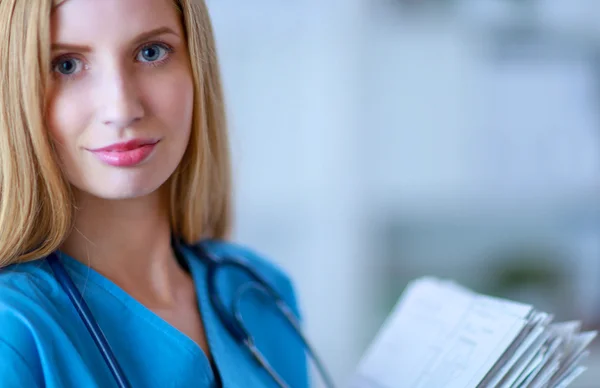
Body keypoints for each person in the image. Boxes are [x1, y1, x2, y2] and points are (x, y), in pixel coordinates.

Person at [0, 0, 312, 386]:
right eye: (66, 64)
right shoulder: (12, 330)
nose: (122, 108)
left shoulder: (260, 290)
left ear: (197, 68)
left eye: (151, 52)